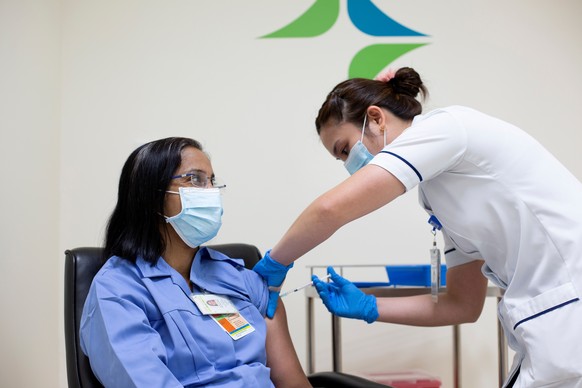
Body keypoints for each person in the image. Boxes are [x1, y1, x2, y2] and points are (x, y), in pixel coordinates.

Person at [253, 68, 582, 387]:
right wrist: (368, 305)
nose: (347, 165)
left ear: (376, 118)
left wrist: (274, 263)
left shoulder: (446, 128)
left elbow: (330, 209)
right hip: (548, 326)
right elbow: (462, 304)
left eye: (344, 149)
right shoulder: (436, 191)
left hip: (567, 311)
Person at [80, 137, 310, 388]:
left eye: (212, 181)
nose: (211, 192)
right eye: (196, 179)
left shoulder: (241, 278)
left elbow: (292, 382)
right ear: (151, 195)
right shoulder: (117, 290)